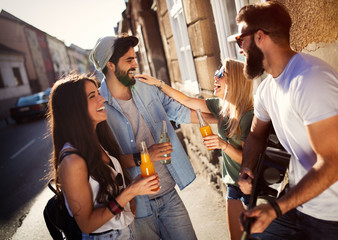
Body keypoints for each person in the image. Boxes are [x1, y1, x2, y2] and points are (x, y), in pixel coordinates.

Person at [234, 1, 338, 239]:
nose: (240, 48)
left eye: (241, 40)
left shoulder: (310, 80)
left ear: (260, 37)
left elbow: (332, 163)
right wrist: (247, 167)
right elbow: (255, 135)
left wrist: (275, 209)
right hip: (299, 205)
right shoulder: (266, 90)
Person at [89, 33, 203, 240]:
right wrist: (145, 156)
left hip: (168, 192)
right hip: (134, 205)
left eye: (135, 58)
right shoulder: (98, 104)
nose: (135, 64)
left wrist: (224, 118)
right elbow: (102, 159)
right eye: (129, 60)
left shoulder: (145, 87)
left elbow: (179, 111)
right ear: (111, 65)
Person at [137, 58, 254, 240]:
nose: (215, 77)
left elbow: (248, 160)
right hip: (232, 183)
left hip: (251, 185)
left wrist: (223, 145)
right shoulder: (221, 107)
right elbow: (186, 100)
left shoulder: (248, 116)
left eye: (221, 74)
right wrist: (158, 84)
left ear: (235, 81)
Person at [48, 74, 160, 239]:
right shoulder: (72, 161)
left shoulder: (96, 141)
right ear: (74, 108)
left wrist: (128, 201)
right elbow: (86, 224)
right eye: (93, 96)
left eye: (98, 93)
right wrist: (130, 193)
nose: (102, 99)